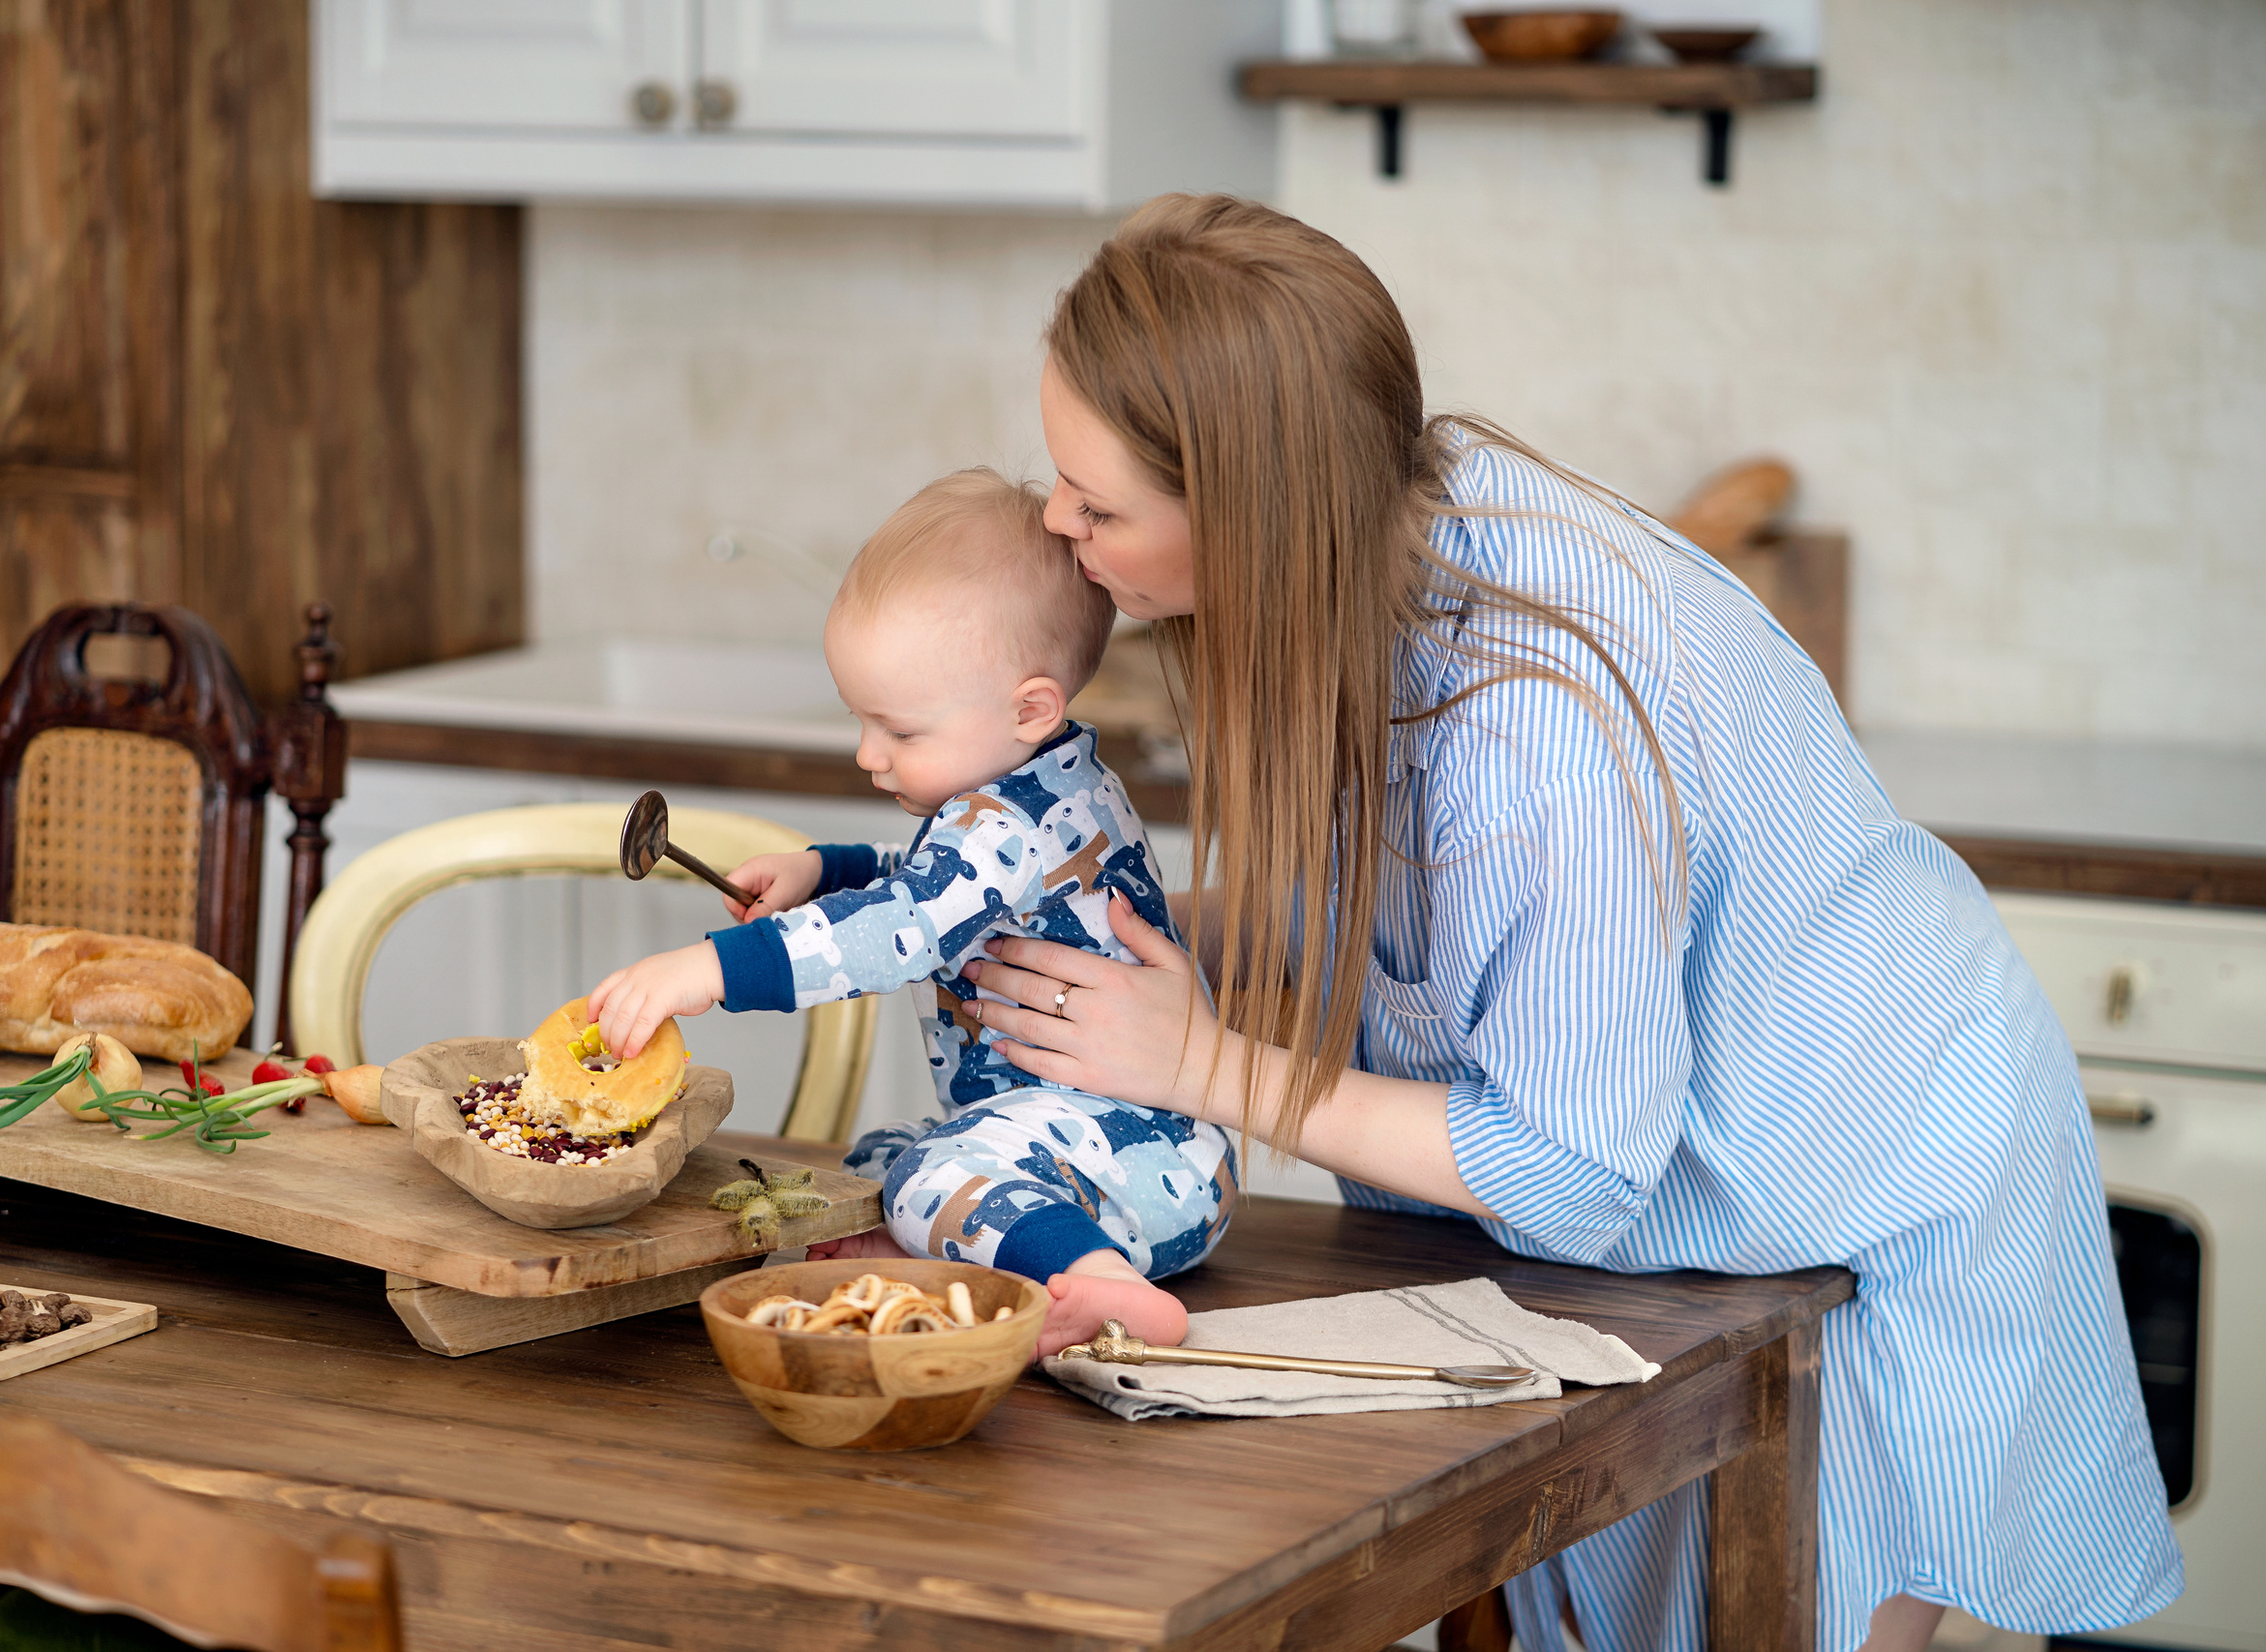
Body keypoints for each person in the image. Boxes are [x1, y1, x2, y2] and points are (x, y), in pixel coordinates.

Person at [945, 195, 2182, 1652]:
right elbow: (1402, 906)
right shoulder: (1390, 517)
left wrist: (1197, 1061)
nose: (1057, 524)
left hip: (1863, 1194)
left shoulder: (1535, 728)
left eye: (1099, 506)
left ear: (1258, 505)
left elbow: (1571, 1158)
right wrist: (1115, 932)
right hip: (1691, 1238)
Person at [585, 468, 1231, 1356]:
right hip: (1114, 1152)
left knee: (937, 1168)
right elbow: (935, 890)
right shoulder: (1048, 787)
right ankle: (926, 1244)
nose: (868, 755)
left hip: (1134, 1167)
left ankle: (1104, 1285)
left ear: (1029, 708)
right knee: (883, 1154)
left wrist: (710, 970)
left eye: (900, 731)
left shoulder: (1003, 820)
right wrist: (822, 870)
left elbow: (903, 926)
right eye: (862, 721)